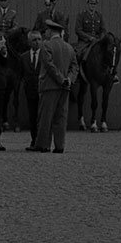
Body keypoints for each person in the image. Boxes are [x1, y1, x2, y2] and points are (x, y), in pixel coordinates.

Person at [30, 20, 76, 153]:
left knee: (46, 117)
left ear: (50, 31)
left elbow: (49, 66)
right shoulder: (69, 47)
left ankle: (43, 145)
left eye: (46, 31)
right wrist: (68, 79)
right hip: (65, 88)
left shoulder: (46, 46)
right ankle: (59, 146)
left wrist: (61, 79)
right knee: (61, 117)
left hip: (49, 87)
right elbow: (75, 67)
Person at [73, 0, 106, 74]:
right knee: (78, 55)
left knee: (109, 54)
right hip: (85, 42)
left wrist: (100, 38)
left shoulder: (99, 15)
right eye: (91, 3)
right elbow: (78, 30)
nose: (92, 6)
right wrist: (89, 38)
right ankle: (76, 73)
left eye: (94, 4)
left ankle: (111, 74)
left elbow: (103, 30)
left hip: (97, 40)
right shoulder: (81, 15)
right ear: (88, 3)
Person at [20, 30, 43, 146]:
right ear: (29, 42)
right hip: (30, 92)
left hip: (43, 91)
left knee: (43, 117)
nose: (37, 42)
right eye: (34, 40)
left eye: (39, 39)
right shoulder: (23, 57)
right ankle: (34, 140)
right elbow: (20, 74)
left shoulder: (46, 55)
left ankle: (43, 141)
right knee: (32, 116)